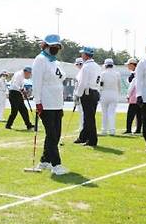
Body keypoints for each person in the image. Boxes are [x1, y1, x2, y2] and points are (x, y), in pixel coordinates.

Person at [32, 34, 67, 175]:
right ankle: (56, 164)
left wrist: (61, 104)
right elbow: (36, 83)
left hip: (57, 103)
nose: (55, 49)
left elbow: (60, 79)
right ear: (45, 45)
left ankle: (44, 161)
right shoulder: (40, 60)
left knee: (55, 135)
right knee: (52, 135)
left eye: (57, 47)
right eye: (53, 46)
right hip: (46, 104)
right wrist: (38, 102)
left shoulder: (56, 62)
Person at [74, 47, 100, 146]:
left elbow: (82, 82)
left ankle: (92, 140)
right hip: (95, 92)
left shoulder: (86, 66)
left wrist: (77, 94)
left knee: (89, 118)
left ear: (86, 55)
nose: (81, 56)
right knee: (88, 117)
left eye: (82, 54)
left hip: (87, 92)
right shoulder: (97, 66)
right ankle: (83, 137)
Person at [99, 58, 121, 136]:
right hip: (114, 94)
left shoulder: (103, 74)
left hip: (105, 93)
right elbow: (119, 86)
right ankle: (112, 130)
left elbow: (101, 85)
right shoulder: (117, 74)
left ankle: (104, 130)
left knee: (104, 113)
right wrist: (118, 94)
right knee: (111, 113)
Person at [124, 57, 141, 134]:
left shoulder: (135, 74)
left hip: (134, 96)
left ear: (132, 65)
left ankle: (128, 129)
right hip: (140, 96)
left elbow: (132, 86)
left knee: (130, 114)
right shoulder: (139, 72)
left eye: (129, 65)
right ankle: (138, 129)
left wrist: (128, 95)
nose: (128, 66)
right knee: (139, 114)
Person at [72, 58, 84, 136]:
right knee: (80, 112)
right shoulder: (80, 73)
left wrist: (77, 95)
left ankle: (82, 127)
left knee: (82, 112)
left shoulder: (82, 73)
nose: (77, 66)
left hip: (81, 95)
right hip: (78, 94)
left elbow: (80, 85)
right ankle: (81, 127)